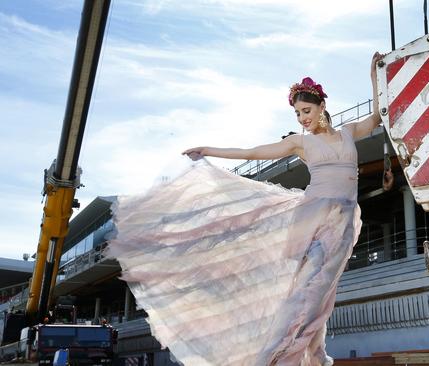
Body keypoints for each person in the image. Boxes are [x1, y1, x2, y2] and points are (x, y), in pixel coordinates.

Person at [108, 52, 383, 366]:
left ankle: (315, 353)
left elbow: (377, 116)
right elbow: (252, 152)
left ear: (322, 106)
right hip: (314, 219)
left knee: (324, 292)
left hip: (344, 221)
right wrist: (209, 149)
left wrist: (375, 77)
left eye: (306, 110)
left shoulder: (348, 132)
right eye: (297, 114)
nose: (302, 118)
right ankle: (274, 357)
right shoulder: (300, 142)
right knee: (311, 288)